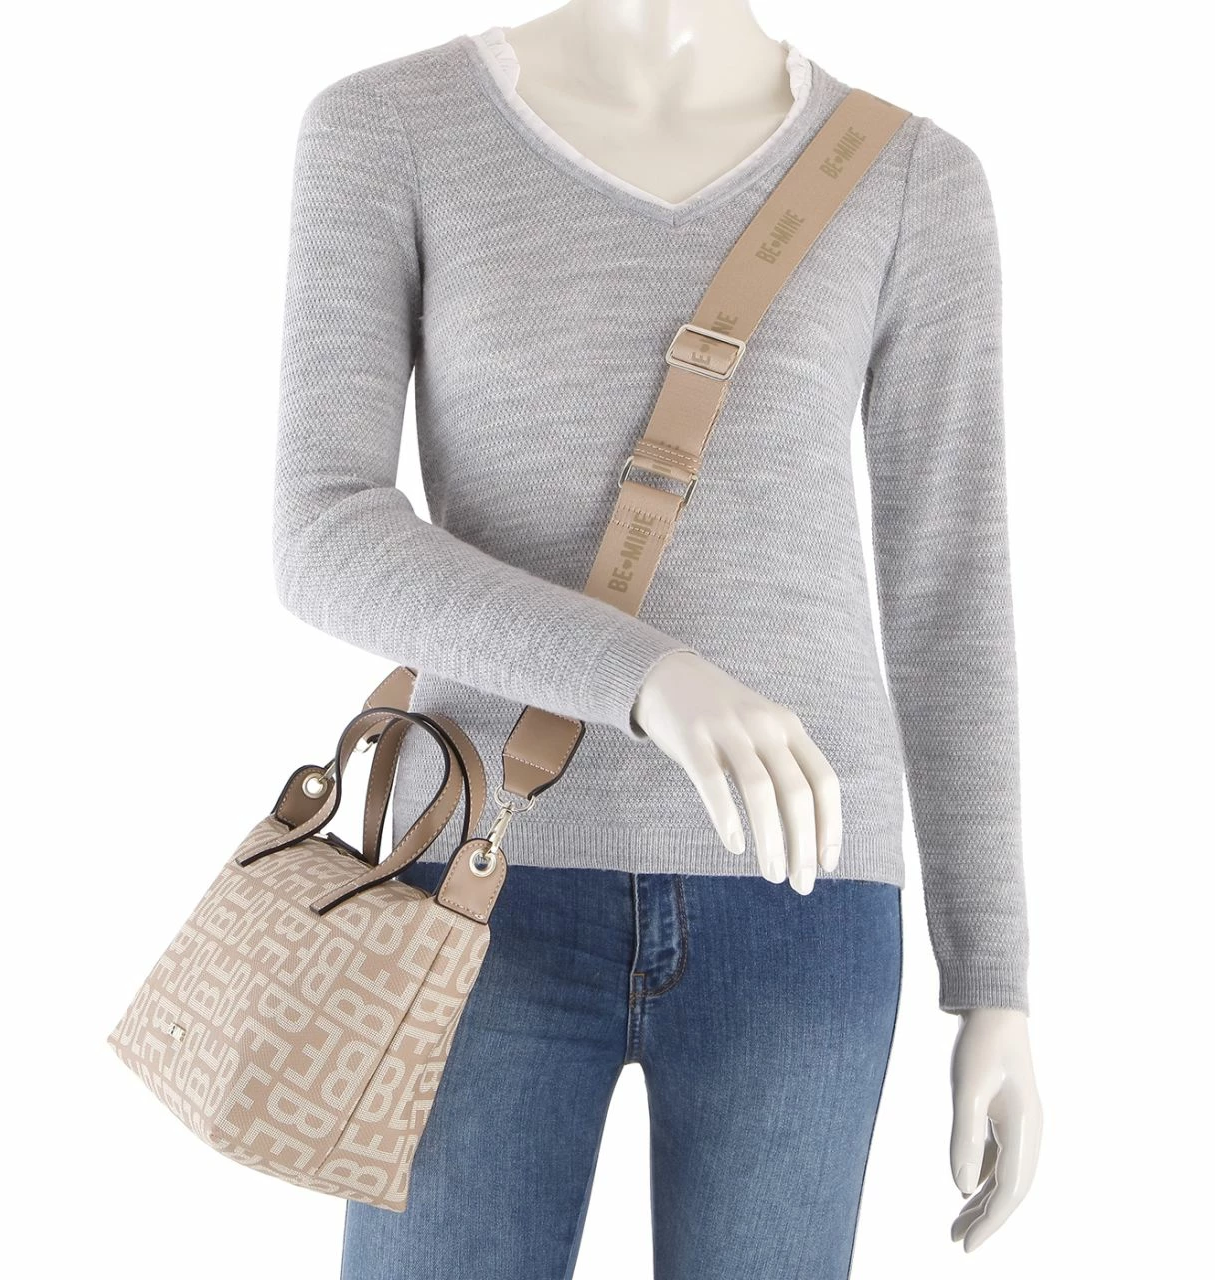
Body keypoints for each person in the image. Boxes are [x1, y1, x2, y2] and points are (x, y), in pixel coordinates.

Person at [270, 6, 1042, 1276]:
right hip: (474, 877)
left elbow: (948, 588)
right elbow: (322, 530)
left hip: (802, 892)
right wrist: (648, 676)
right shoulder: (388, 128)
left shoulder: (910, 177)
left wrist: (992, 979)